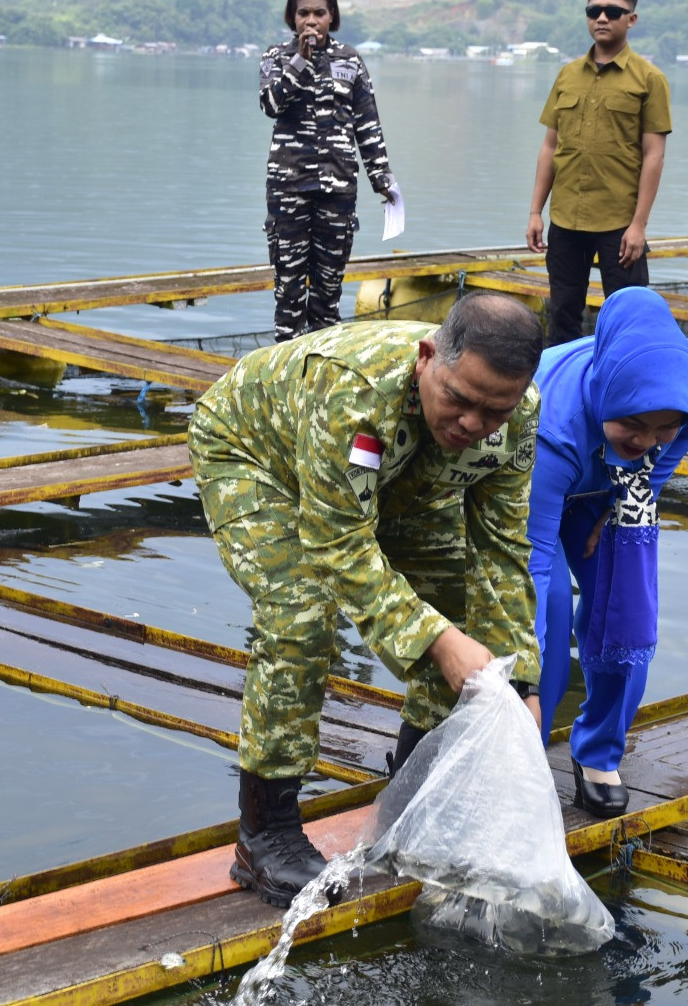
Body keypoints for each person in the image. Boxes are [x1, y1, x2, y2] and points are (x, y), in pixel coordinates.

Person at [189, 293, 545, 907]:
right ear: (428, 358)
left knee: (459, 611)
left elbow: (501, 551)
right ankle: (264, 835)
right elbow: (339, 542)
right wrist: (436, 638)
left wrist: (522, 682)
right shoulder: (351, 390)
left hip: (400, 480)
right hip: (256, 457)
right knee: (300, 613)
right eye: (458, 399)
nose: (471, 424)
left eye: (493, 411)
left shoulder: (517, 420)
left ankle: (409, 808)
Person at [527, 287, 688, 817]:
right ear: (610, 396)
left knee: (625, 612)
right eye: (633, 424)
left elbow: (676, 442)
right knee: (551, 611)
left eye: (661, 426)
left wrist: (631, 497)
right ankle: (526, 751)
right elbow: (537, 558)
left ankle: (599, 752)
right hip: (538, 482)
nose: (648, 438)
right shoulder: (553, 423)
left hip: (612, 489)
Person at [526, 0, 670, 348]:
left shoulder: (649, 79)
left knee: (628, 319)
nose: (602, 18)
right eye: (594, 11)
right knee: (561, 316)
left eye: (612, 12)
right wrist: (535, 212)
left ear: (631, 19)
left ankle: (625, 399)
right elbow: (550, 146)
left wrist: (639, 225)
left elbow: (654, 155)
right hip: (566, 219)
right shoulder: (567, 75)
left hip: (619, 225)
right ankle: (562, 398)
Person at [258, 0, 397, 344]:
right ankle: (287, 374)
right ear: (292, 17)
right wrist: (300, 60)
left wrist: (381, 179)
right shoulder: (275, 57)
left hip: (337, 191)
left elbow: (368, 124)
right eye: (304, 13)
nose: (311, 21)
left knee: (329, 290)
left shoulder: (349, 61)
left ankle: (322, 370)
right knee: (288, 288)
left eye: (319, 13)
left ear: (331, 16)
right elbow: (270, 105)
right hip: (289, 189)